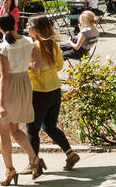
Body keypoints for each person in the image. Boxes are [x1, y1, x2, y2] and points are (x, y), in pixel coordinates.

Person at [25, 15, 80, 172]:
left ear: (35, 29)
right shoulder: (53, 45)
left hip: (39, 91)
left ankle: (33, 163)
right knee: (49, 126)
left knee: (32, 129)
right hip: (55, 90)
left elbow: (33, 69)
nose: (27, 28)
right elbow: (59, 66)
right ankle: (70, 153)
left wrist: (26, 66)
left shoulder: (34, 46)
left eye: (29, 25)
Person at [0, 14, 40, 185]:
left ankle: (10, 170)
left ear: (0, 26)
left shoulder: (4, 48)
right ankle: (34, 159)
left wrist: (1, 104)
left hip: (9, 87)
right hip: (24, 84)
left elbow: (4, 77)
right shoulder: (28, 41)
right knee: (14, 129)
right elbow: (38, 63)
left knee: (3, 132)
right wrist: (25, 65)